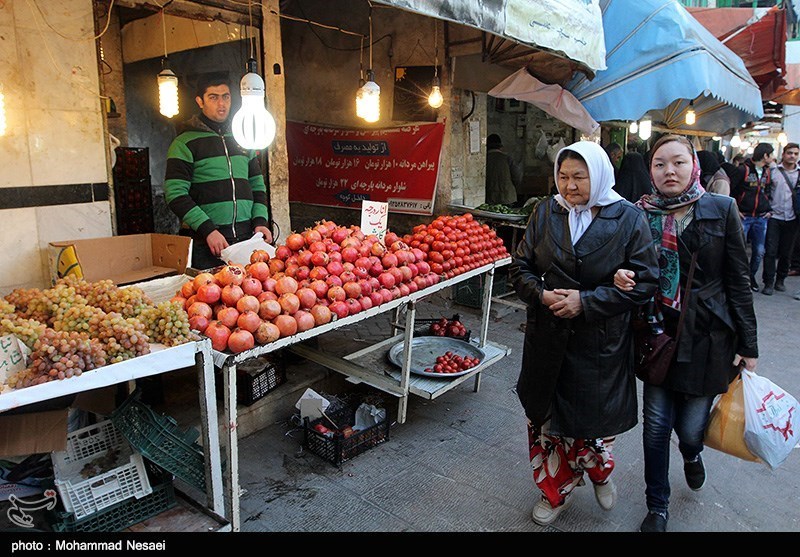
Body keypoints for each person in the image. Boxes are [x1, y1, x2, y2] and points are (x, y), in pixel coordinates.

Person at [613, 134, 758, 533]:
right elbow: (626, 267)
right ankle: (657, 506)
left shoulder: (721, 208)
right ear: (650, 170)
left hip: (709, 335)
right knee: (657, 425)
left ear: (693, 165)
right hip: (656, 333)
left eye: (677, 162)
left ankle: (692, 455)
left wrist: (749, 345)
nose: (668, 171)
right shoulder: (638, 214)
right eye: (660, 164)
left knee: (691, 428)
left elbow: (739, 280)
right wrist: (621, 274)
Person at [509, 141, 659, 527]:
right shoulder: (546, 211)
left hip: (599, 344)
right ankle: (553, 492)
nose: (570, 185)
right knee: (546, 423)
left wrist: (587, 302)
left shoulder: (628, 218)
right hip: (547, 337)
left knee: (591, 424)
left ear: (600, 174)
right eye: (563, 176)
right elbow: (520, 266)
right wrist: (540, 294)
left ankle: (598, 472)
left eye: (579, 176)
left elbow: (646, 282)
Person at [164, 74, 272, 270]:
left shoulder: (243, 138)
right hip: (206, 244)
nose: (221, 103)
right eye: (213, 97)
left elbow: (257, 186)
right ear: (200, 101)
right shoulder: (184, 143)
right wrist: (208, 230)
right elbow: (175, 194)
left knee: (249, 298)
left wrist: (260, 221)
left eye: (226, 96)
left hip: (246, 240)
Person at [730, 143, 774, 292]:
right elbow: (731, 190)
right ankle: (738, 279)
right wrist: (736, 209)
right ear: (765, 155)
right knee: (738, 250)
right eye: (771, 154)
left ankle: (750, 277)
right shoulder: (744, 169)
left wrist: (769, 209)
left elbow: (767, 191)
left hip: (761, 217)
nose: (773, 158)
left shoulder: (767, 172)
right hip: (745, 216)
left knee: (759, 251)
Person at [762, 142, 800, 295]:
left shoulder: (799, 174)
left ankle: (780, 280)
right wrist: (766, 209)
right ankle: (769, 282)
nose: (793, 156)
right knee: (770, 251)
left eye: (796, 154)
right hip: (774, 216)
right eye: (790, 153)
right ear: (783, 154)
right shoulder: (773, 172)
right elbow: (765, 190)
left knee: (786, 252)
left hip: (792, 218)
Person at [485, 133, 522, 205]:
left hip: (490, 197)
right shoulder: (507, 158)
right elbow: (517, 176)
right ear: (500, 146)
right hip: (507, 196)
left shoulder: (484, 160)